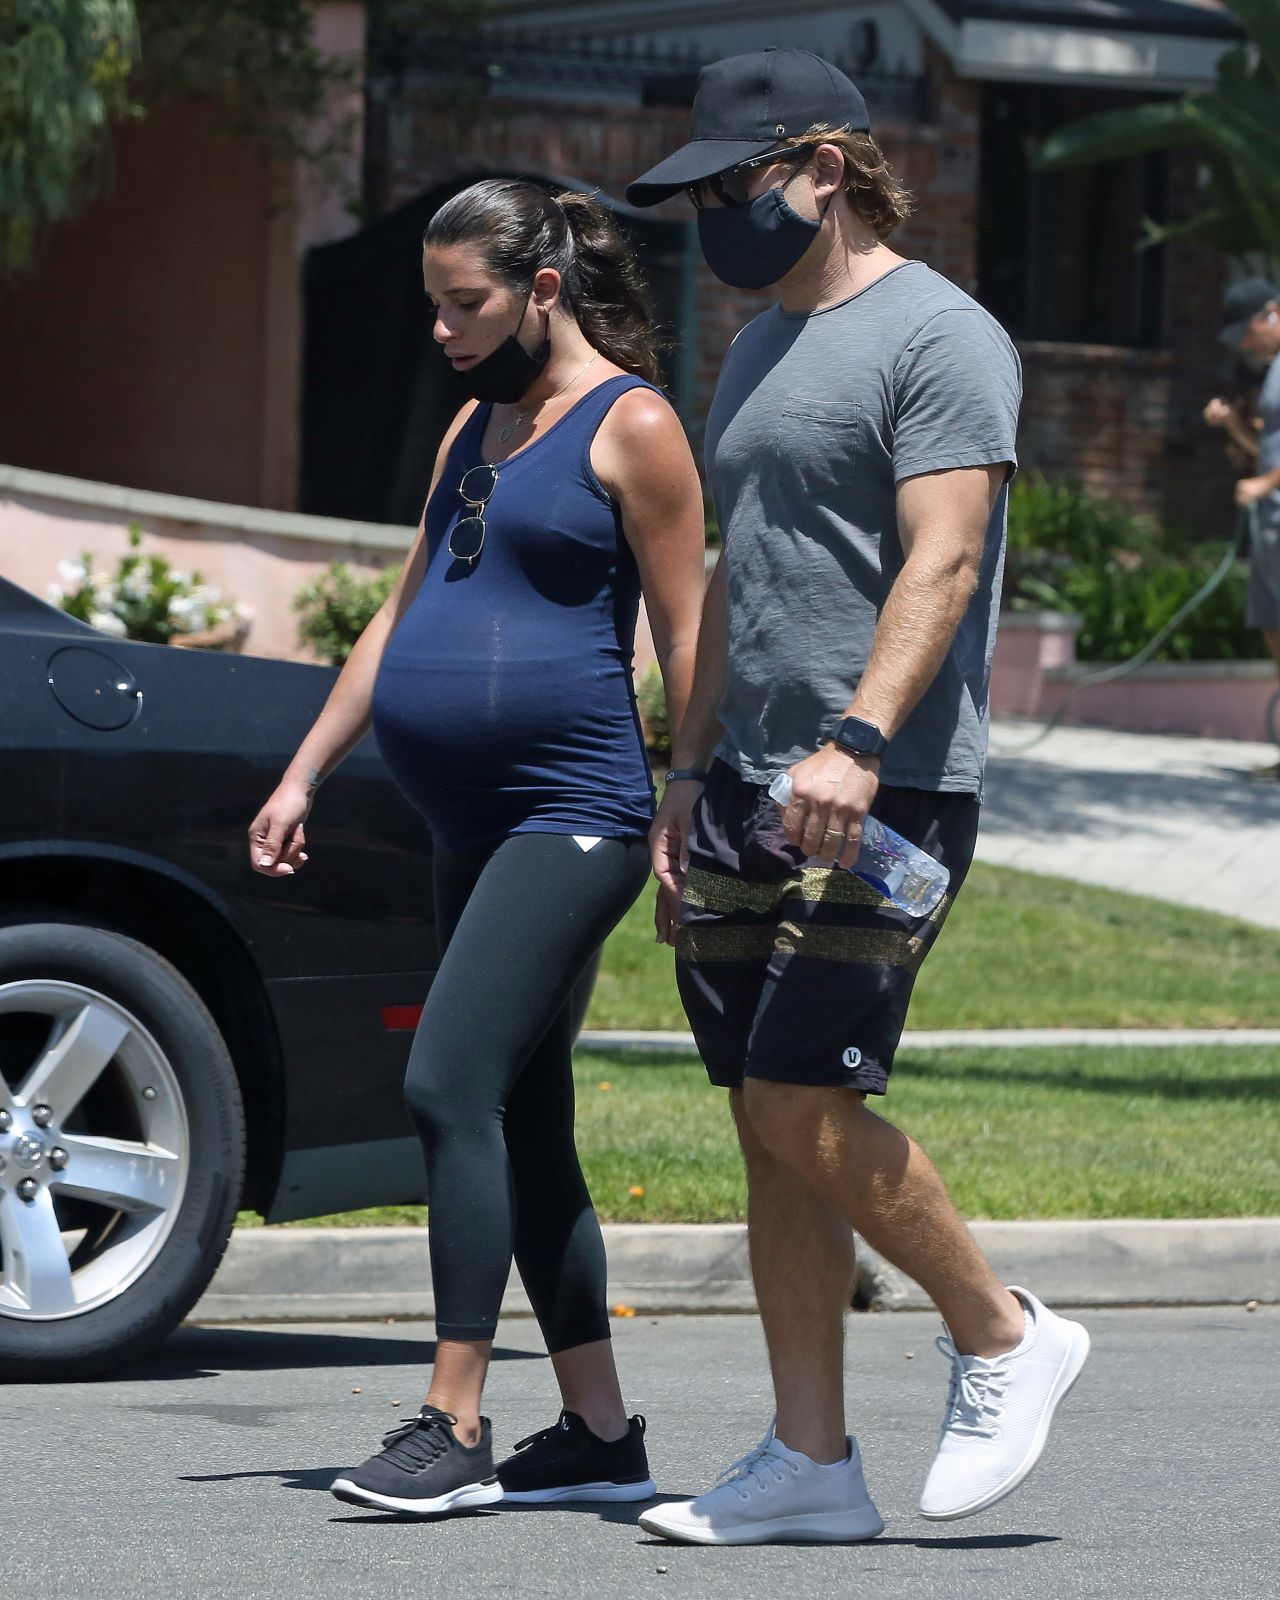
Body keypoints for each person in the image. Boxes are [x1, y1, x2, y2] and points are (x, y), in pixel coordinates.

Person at [627, 47, 1089, 1545]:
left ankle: (1006, 1333)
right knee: (767, 1126)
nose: (710, 214)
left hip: (878, 786)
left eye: (731, 183)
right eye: (693, 193)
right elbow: (732, 589)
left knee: (798, 1093)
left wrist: (859, 738)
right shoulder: (759, 343)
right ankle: (811, 1461)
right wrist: (684, 780)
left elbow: (942, 560)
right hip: (750, 786)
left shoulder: (944, 337)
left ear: (824, 167)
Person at [248, 179, 706, 1517]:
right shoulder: (472, 425)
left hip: (577, 815)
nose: (443, 331)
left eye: (467, 306)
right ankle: (603, 1434)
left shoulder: (635, 427)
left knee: (449, 1081)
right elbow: (399, 617)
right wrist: (303, 770)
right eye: (435, 306)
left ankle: (454, 1422)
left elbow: (689, 627)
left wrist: (685, 788)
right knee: (527, 1117)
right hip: (471, 819)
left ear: (542, 291)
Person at [1204, 277, 1280, 765]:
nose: (1247, 346)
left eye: (1249, 333)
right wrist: (1233, 426)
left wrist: (1264, 484)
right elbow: (1267, 450)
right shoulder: (1273, 371)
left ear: (1270, 314)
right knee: (1273, 627)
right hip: (1270, 524)